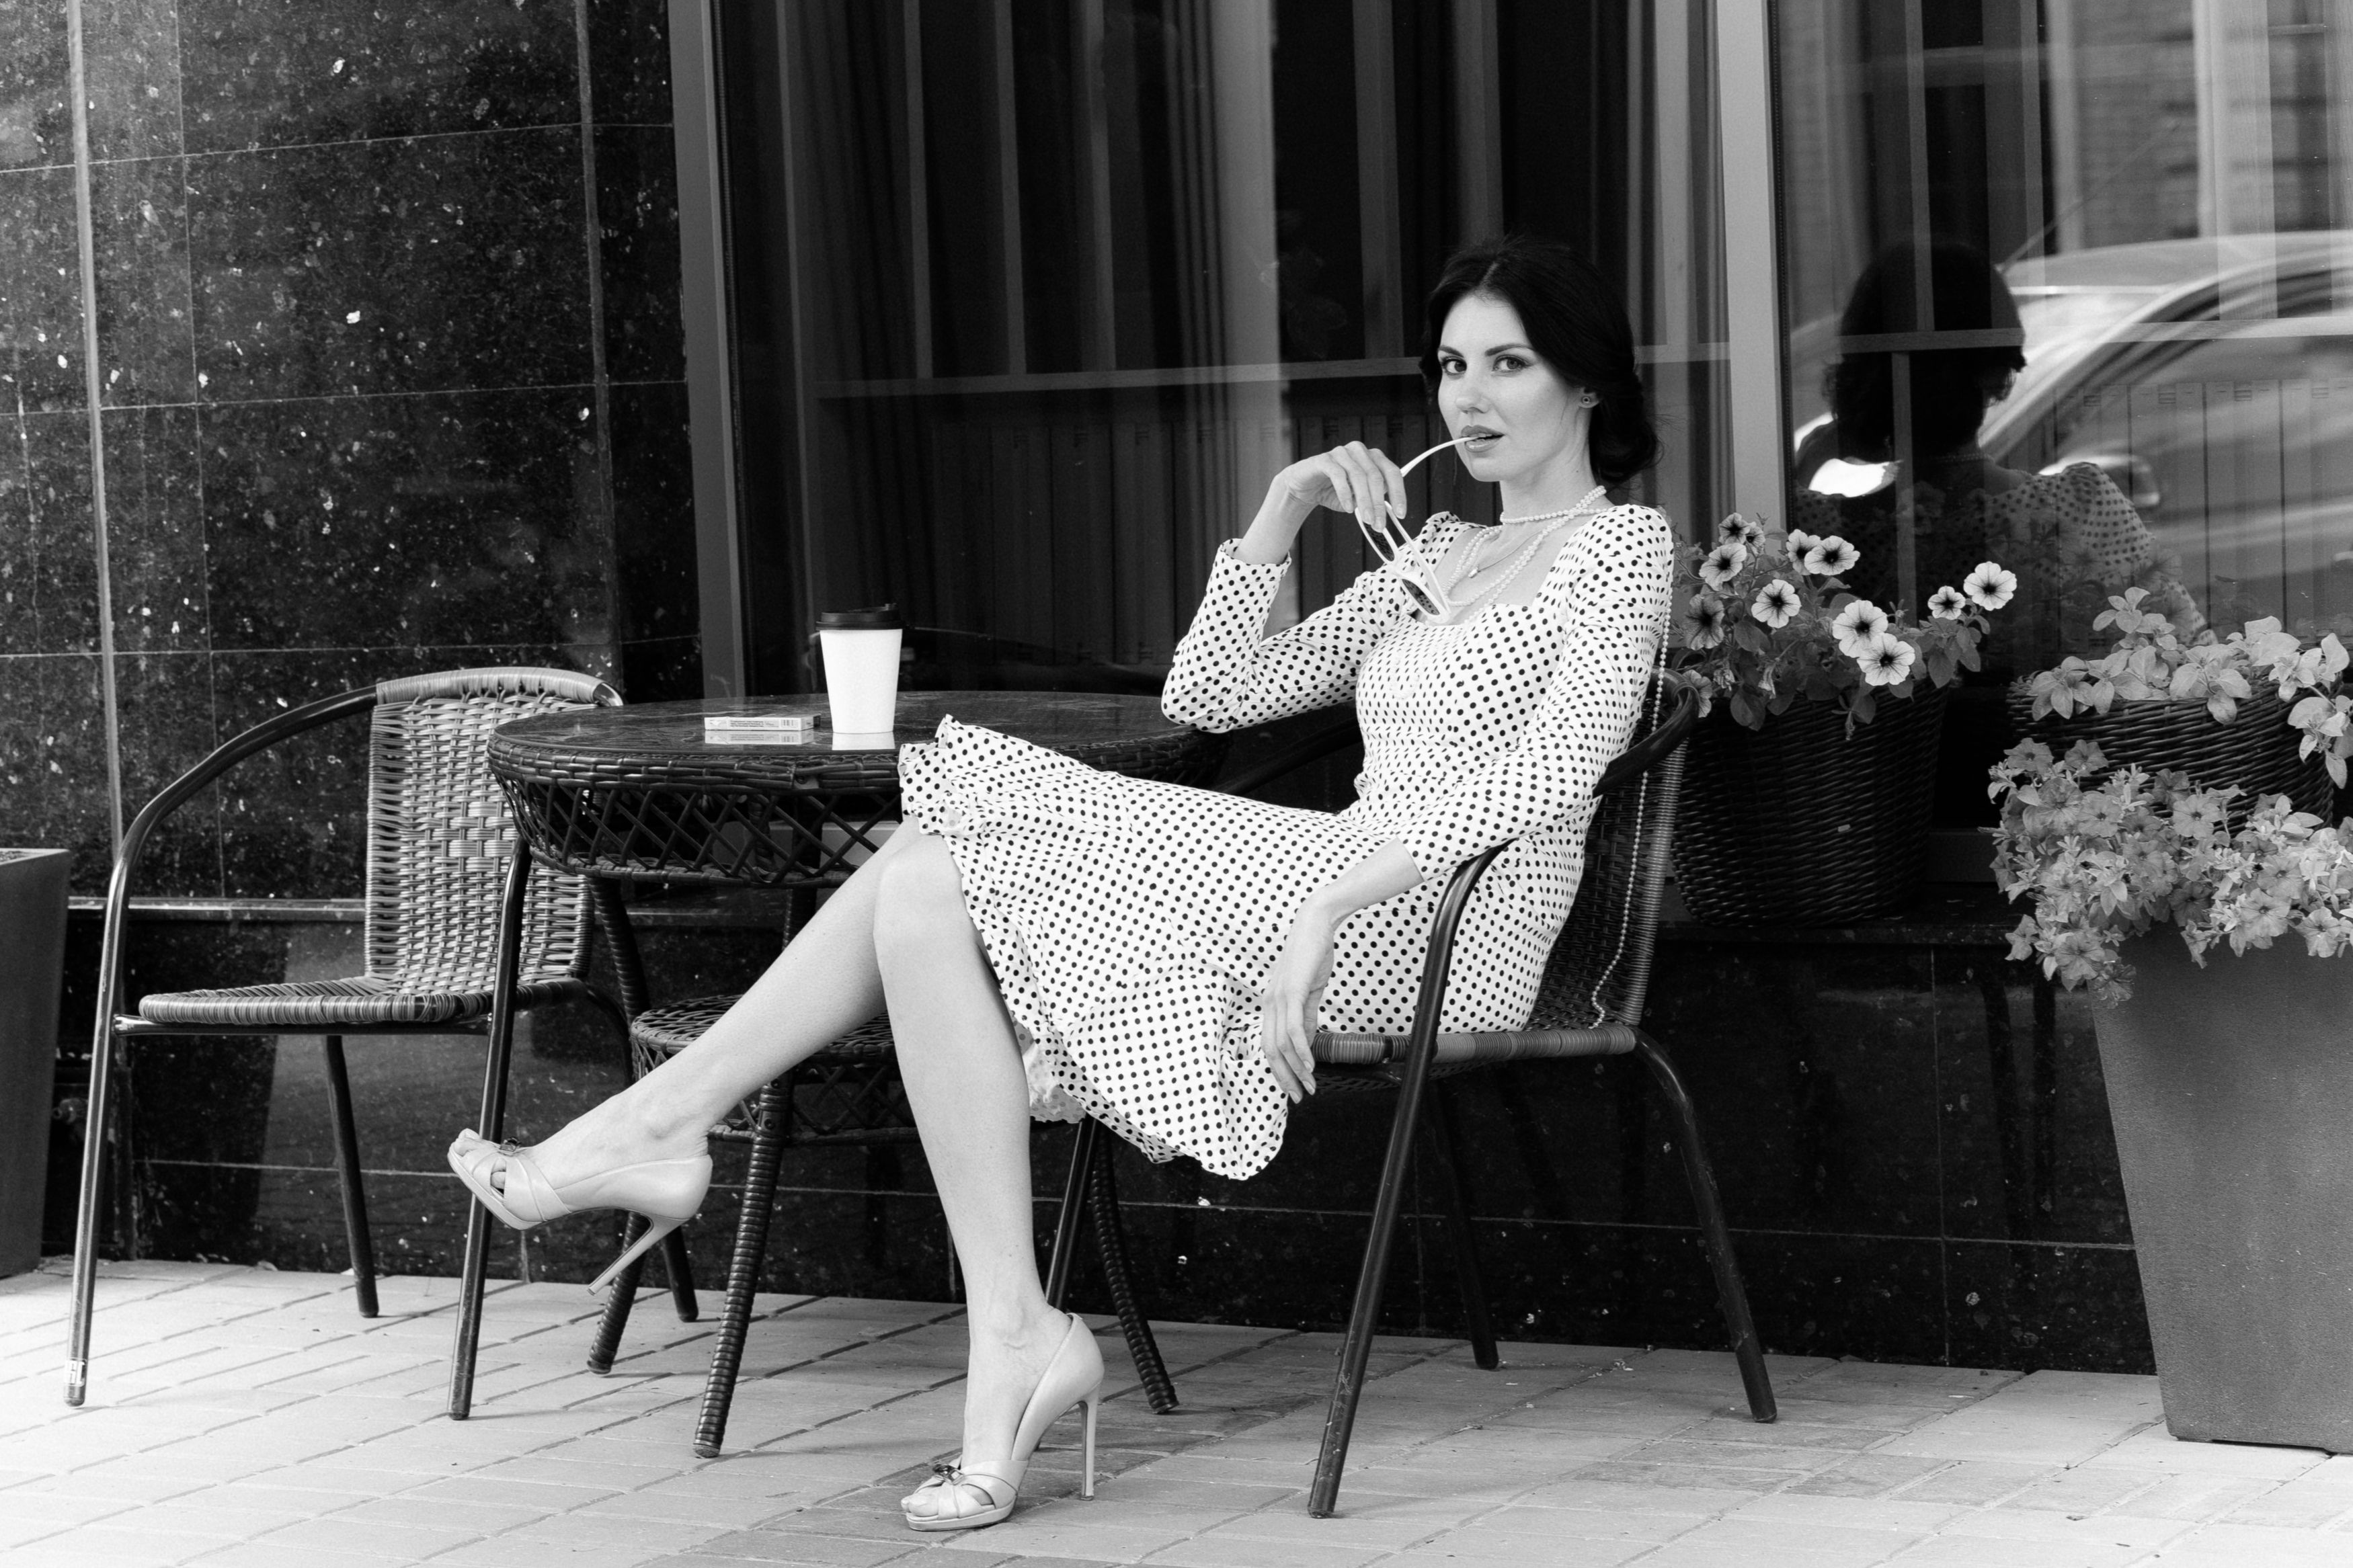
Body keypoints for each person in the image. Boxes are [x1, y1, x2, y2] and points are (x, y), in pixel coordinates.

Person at [445, 235, 1675, 1532]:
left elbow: (1554, 774)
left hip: (1445, 927)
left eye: (1508, 364)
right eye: (1451, 366)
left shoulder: (1622, 548)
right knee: (928, 879)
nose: (1469, 396)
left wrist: (1333, 901)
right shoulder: (1435, 550)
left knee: (955, 824)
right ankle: (1009, 1329)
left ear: (1585, 382)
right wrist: (1281, 512)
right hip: (1331, 889)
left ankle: (666, 1127)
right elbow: (1211, 693)